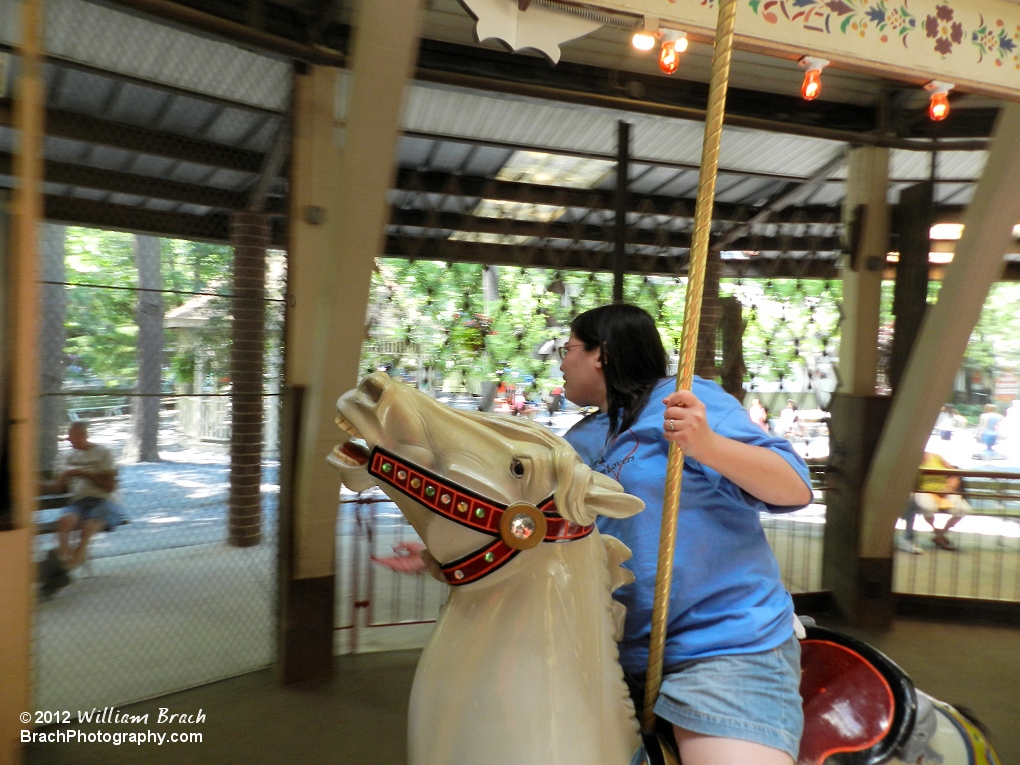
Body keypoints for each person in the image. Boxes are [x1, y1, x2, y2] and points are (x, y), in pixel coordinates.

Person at [560, 304, 812, 765]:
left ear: (601, 355)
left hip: (721, 646)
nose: (560, 362)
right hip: (610, 652)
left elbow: (792, 487)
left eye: (568, 348)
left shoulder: (686, 399)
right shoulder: (579, 440)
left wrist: (707, 444)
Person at [39, 421, 123, 593]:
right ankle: (64, 564)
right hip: (79, 502)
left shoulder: (102, 452)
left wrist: (82, 473)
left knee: (87, 530)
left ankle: (62, 572)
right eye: (68, 435)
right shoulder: (64, 457)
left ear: (84, 435)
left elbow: (110, 487)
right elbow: (57, 488)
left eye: (73, 435)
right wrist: (33, 483)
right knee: (64, 522)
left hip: (104, 500)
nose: (68, 438)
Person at [913, 451, 970, 551]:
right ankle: (937, 533)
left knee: (964, 509)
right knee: (928, 507)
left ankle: (941, 534)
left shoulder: (936, 457)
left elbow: (954, 473)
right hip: (924, 491)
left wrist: (950, 488)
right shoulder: (910, 462)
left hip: (945, 492)